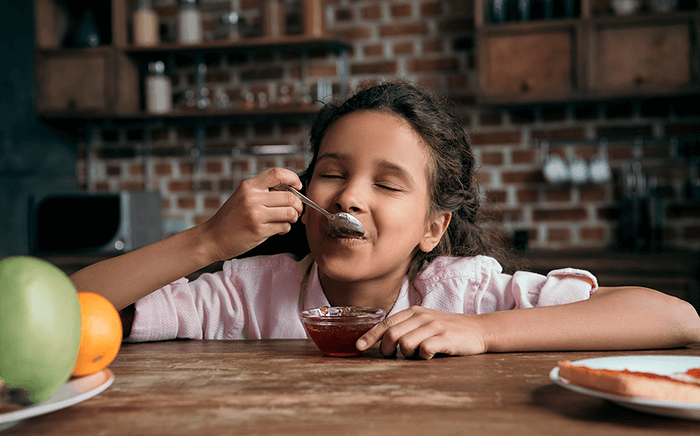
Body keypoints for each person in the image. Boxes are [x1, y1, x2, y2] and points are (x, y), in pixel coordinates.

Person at [70, 80, 700, 359]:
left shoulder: (465, 293)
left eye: (389, 184)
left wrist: (484, 332)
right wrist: (207, 241)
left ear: (433, 227)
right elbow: (67, 312)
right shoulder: (245, 293)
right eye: (333, 173)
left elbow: (675, 317)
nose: (349, 198)